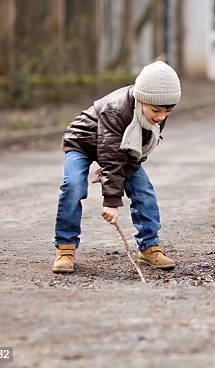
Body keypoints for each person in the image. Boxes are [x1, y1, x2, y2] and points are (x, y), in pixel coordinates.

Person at [52, 61, 180, 273]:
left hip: (115, 149)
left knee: (144, 190)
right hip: (82, 141)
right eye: (156, 110)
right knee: (73, 185)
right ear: (141, 99)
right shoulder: (117, 110)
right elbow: (111, 154)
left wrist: (117, 175)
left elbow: (135, 153)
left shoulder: (156, 115)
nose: (161, 117)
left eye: (168, 112)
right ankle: (65, 248)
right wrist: (111, 200)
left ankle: (149, 247)